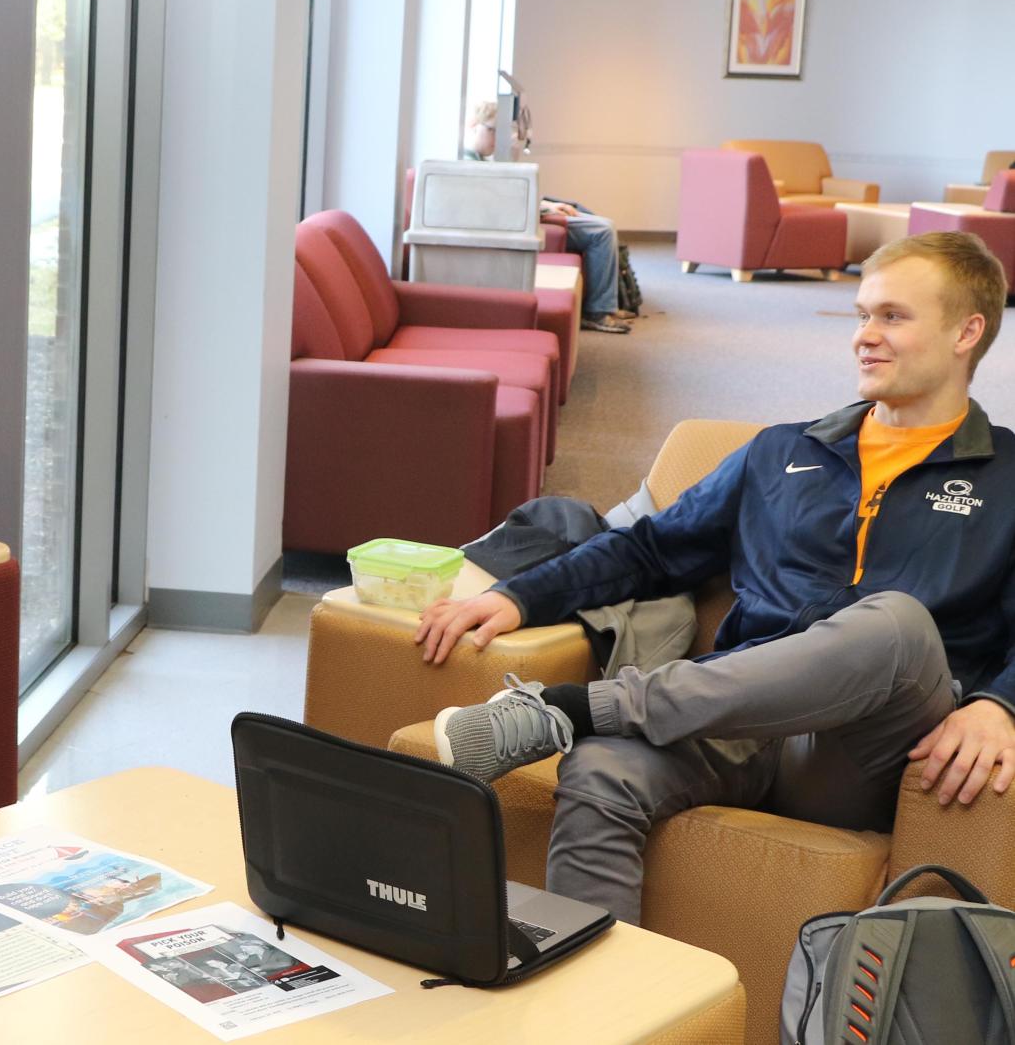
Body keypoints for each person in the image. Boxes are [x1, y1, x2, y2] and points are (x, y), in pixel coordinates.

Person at [413, 230, 1015, 923]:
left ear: (967, 331)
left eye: (892, 317)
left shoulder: (1007, 478)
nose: (865, 336)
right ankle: (605, 1016)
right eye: (861, 315)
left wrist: (1001, 704)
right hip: (735, 724)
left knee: (896, 622)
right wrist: (518, 595)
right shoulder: (785, 450)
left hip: (867, 756)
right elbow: (648, 548)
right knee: (601, 770)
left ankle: (577, 708)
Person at [463, 100, 633, 334]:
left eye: (501, 132)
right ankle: (598, 311)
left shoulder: (480, 160)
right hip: (520, 224)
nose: (496, 139)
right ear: (473, 125)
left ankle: (605, 305)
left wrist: (547, 205)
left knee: (597, 222)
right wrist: (546, 209)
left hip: (525, 216)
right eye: (492, 130)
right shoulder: (467, 163)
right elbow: (502, 203)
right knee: (602, 231)